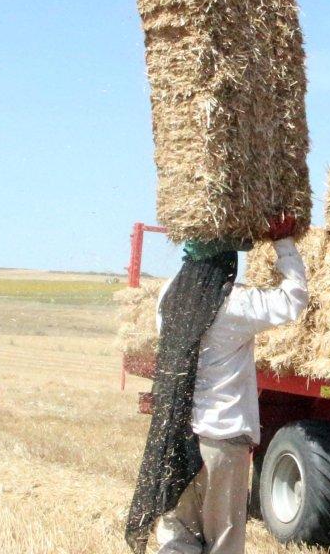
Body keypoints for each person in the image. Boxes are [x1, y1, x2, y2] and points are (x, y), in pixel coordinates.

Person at [125, 214, 307, 554]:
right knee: (222, 543)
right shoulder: (235, 305)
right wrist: (283, 243)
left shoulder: (168, 297)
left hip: (176, 438)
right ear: (227, 265)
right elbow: (293, 301)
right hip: (222, 444)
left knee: (177, 540)